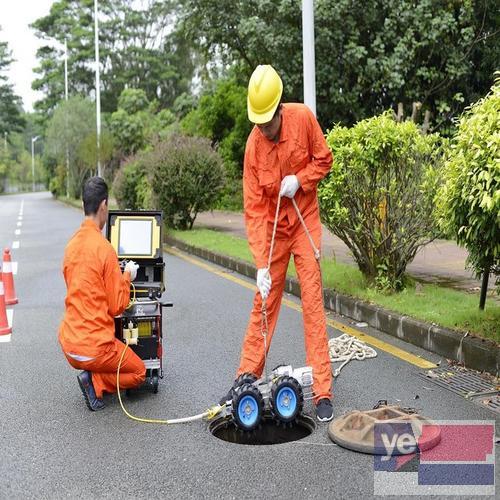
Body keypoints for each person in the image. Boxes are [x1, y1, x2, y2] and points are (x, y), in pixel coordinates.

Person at [226, 64, 334, 422]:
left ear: (279, 109)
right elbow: (254, 209)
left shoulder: (302, 118)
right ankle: (247, 375)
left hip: (303, 223)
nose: (264, 129)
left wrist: (301, 180)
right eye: (258, 123)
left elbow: (325, 159)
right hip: (273, 231)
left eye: (268, 122)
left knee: (312, 303)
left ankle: (322, 391)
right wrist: (260, 265)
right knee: (264, 301)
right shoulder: (253, 148)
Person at [59, 176, 145, 411]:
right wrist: (127, 276)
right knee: (139, 372)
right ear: (104, 206)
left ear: (83, 203)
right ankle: (96, 381)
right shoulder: (104, 249)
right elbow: (117, 306)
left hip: (69, 345)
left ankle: (93, 373)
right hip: (95, 348)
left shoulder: (70, 246)